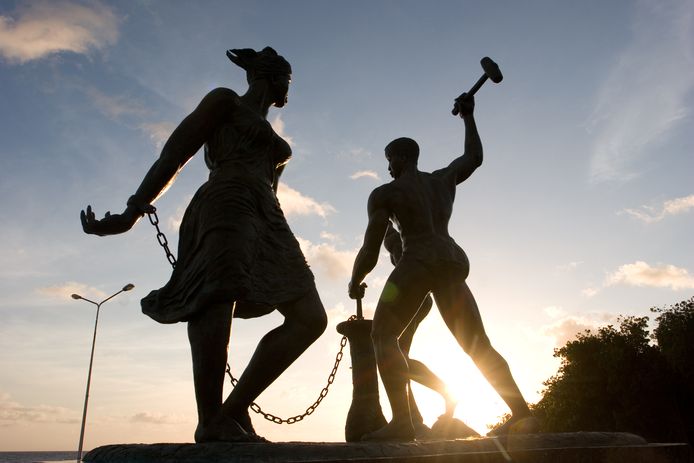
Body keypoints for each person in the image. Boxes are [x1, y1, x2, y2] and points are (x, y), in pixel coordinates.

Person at [81, 47, 327, 443]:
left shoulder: (278, 144)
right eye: (288, 80)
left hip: (268, 215)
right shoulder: (224, 101)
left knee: (310, 318)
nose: (289, 90)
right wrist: (133, 212)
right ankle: (211, 417)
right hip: (225, 201)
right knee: (217, 294)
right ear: (271, 76)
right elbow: (175, 153)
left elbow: (273, 189)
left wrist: (271, 227)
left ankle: (233, 410)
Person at [348, 93, 536, 441]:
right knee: (478, 344)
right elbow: (474, 158)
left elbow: (371, 248)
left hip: (417, 261)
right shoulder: (442, 180)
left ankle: (403, 421)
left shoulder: (385, 194)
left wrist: (355, 279)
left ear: (401, 158)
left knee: (383, 335)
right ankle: (524, 415)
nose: (388, 167)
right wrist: (469, 116)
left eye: (389, 159)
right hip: (449, 259)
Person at [382, 222, 458, 435]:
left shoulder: (397, 240)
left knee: (396, 355)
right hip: (418, 297)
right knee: (400, 356)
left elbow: (405, 267)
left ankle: (441, 397)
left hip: (413, 296)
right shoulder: (399, 236)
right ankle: (412, 415)